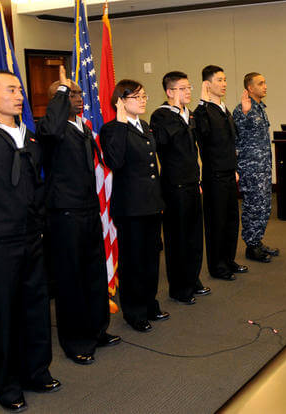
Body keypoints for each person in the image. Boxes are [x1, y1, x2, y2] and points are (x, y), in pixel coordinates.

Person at [36, 66, 121, 366]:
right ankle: (75, 342)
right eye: (71, 94)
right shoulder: (50, 127)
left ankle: (98, 330)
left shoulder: (82, 127)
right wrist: (60, 91)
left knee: (93, 274)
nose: (79, 98)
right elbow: (50, 130)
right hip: (64, 214)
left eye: (79, 93)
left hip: (87, 210)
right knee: (71, 280)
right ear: (57, 100)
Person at [0, 70, 60, 412]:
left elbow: (37, 184)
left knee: (35, 305)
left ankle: (36, 370)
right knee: (3, 313)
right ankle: (8, 384)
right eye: (10, 89)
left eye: (20, 90)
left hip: (32, 235)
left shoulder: (27, 136)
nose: (19, 96)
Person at [100, 80, 168, 332]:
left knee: (151, 258)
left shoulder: (145, 126)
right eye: (136, 97)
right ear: (120, 101)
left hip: (150, 204)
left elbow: (152, 168)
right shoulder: (112, 129)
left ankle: (150, 304)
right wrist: (119, 121)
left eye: (144, 95)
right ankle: (134, 311)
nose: (142, 100)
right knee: (133, 262)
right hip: (130, 208)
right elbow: (115, 161)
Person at [150, 71, 210, 304]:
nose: (188, 92)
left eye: (189, 88)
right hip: (174, 186)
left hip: (192, 182)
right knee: (178, 238)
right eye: (183, 88)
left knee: (195, 236)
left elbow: (204, 134)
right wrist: (180, 114)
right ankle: (179, 287)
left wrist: (194, 110)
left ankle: (192, 279)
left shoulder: (189, 114)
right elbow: (164, 142)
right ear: (170, 91)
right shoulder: (161, 115)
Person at [194, 65, 248, 280]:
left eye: (225, 80)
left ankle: (228, 260)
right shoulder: (203, 111)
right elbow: (203, 134)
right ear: (207, 84)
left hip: (228, 173)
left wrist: (234, 168)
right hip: (214, 175)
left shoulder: (223, 109)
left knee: (231, 220)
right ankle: (217, 267)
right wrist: (202, 102)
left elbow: (230, 141)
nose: (224, 84)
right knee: (216, 222)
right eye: (219, 80)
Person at [233, 72, 279, 262]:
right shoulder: (242, 110)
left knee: (264, 206)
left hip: (263, 167)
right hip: (251, 169)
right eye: (260, 83)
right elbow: (237, 137)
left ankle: (257, 240)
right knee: (253, 207)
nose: (265, 86)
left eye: (265, 82)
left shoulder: (260, 108)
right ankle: (251, 246)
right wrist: (245, 114)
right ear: (250, 88)